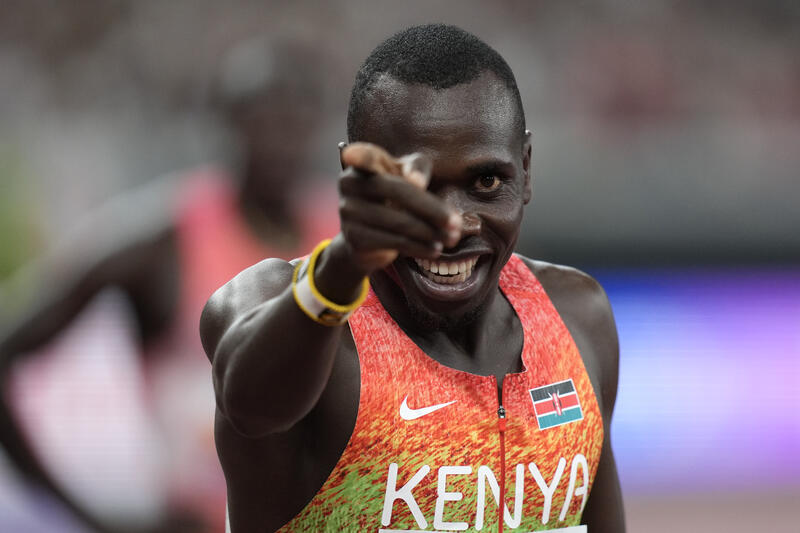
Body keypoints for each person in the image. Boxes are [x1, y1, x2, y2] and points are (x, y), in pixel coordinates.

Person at [201, 24, 625, 533]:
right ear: (357, 176)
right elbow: (251, 406)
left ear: (526, 170)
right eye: (415, 188)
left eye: (486, 182)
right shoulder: (280, 307)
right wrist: (341, 269)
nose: (451, 226)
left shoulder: (578, 319)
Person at [0, 37, 337, 533]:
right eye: (263, 118)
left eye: (295, 118)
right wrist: (79, 514)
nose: (280, 139)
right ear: (227, 123)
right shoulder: (163, 244)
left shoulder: (344, 243)